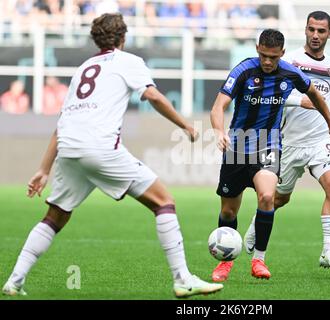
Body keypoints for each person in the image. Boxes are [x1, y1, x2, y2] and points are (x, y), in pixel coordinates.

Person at [2, 13, 223, 298]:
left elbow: (62, 121)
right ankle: (183, 279)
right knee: (164, 202)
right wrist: (185, 125)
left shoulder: (83, 68)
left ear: (96, 39)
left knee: (54, 216)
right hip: (100, 147)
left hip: (69, 148)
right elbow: (153, 96)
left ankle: (14, 281)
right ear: (123, 37)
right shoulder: (128, 61)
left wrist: (44, 169)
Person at [244, 11, 330, 271]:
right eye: (311, 30)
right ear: (305, 30)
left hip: (320, 140)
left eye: (321, 31)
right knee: (278, 199)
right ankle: (256, 224)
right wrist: (301, 100)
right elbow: (270, 93)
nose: (315, 35)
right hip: (287, 142)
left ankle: (329, 251)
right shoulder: (289, 61)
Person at [210, 28, 330, 282]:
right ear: (257, 50)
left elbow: (315, 94)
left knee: (268, 196)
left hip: (268, 144)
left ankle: (259, 260)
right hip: (238, 145)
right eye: (264, 56)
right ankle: (225, 264)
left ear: (281, 53)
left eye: (273, 57)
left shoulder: (290, 73)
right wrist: (218, 131)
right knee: (228, 211)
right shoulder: (243, 71)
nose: (268, 62)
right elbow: (219, 105)